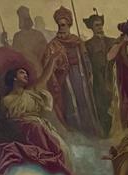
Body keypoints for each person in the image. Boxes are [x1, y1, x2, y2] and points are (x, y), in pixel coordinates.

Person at [42, 6, 99, 135]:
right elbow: (47, 63)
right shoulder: (53, 44)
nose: (62, 27)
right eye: (59, 25)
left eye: (64, 25)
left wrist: (89, 71)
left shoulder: (77, 41)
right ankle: (77, 132)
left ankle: (90, 131)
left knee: (84, 101)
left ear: (69, 25)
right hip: (65, 79)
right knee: (71, 104)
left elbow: (85, 58)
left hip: (81, 75)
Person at [83, 10, 117, 137]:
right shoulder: (88, 44)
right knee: (102, 104)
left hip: (112, 77)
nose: (100, 27)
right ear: (91, 28)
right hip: (98, 78)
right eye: (96, 25)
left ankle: (116, 130)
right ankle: (106, 132)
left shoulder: (112, 41)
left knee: (114, 103)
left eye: (101, 24)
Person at [11, 6, 48, 71]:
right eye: (25, 19)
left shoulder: (38, 34)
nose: (27, 20)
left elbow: (45, 50)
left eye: (28, 18)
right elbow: (15, 53)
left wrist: (37, 61)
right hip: (25, 68)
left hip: (40, 67)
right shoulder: (17, 36)